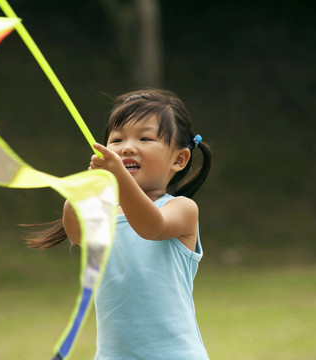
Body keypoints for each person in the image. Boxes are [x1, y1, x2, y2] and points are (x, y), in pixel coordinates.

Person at [26, 89, 212, 359]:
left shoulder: (181, 209)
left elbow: (151, 227)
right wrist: (81, 195)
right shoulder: (104, 213)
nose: (127, 147)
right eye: (117, 139)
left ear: (178, 159)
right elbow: (77, 234)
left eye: (145, 138)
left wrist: (120, 179)